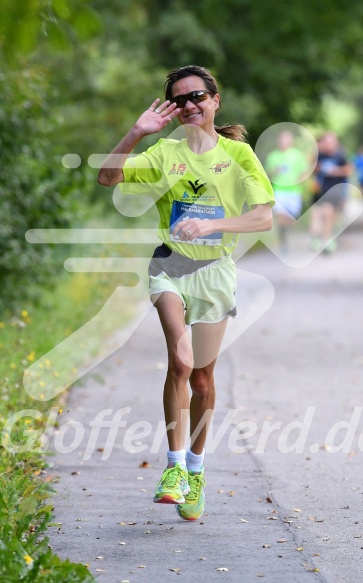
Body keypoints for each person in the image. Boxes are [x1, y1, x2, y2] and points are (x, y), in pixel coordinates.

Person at [98, 65, 275, 521]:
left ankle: (196, 470)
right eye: (179, 101)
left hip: (215, 272)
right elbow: (107, 178)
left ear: (215, 99)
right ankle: (174, 469)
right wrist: (136, 133)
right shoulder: (165, 151)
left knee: (202, 380)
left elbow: (262, 218)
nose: (189, 105)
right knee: (181, 361)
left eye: (197, 95)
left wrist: (214, 223)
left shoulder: (238, 154)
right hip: (170, 267)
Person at [310, 131, 352, 253]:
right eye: (327, 141)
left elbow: (348, 169)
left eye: (331, 141)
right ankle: (322, 239)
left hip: (336, 189)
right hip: (322, 189)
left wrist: (336, 171)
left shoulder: (340, 155)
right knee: (322, 214)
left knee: (331, 216)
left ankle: (327, 239)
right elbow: (312, 169)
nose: (329, 144)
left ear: (336, 143)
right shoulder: (320, 155)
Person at [265, 130, 308, 252]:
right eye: (282, 139)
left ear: (291, 141)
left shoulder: (298, 155)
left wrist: (299, 180)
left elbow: (304, 172)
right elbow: (268, 174)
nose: (284, 142)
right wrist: (275, 171)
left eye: (286, 139)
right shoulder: (273, 156)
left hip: (294, 191)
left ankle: (291, 234)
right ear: (278, 141)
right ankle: (283, 242)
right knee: (281, 216)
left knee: (291, 219)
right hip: (279, 191)